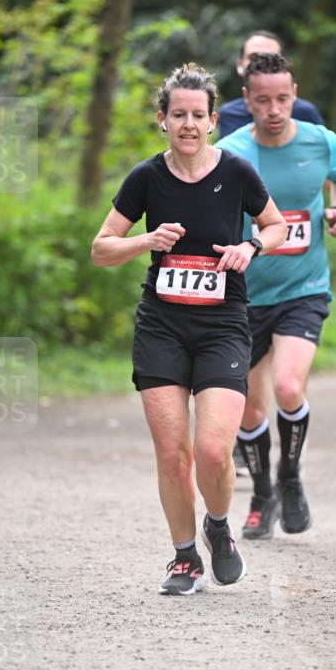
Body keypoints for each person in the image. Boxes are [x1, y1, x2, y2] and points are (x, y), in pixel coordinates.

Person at [91, 64, 286, 594]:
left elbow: (276, 224)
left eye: (198, 115)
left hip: (223, 325)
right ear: (162, 119)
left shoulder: (239, 173)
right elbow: (101, 248)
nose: (188, 124)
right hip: (161, 326)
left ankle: (217, 528)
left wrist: (251, 247)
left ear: (214, 120)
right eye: (178, 114)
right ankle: (184, 558)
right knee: (173, 454)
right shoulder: (146, 178)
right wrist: (145, 241)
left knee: (213, 451)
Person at [217, 52, 336, 539]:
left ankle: (290, 478)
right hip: (246, 295)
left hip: (304, 287)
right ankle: (261, 494)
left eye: (282, 98)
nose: (274, 109)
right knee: (248, 409)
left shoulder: (321, 141)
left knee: (289, 388)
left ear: (295, 95)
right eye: (262, 100)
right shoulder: (231, 151)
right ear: (246, 101)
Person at [218, 30, 324, 139]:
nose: (261, 64)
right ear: (240, 64)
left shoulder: (305, 113)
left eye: (270, 58)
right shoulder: (229, 114)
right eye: (254, 58)